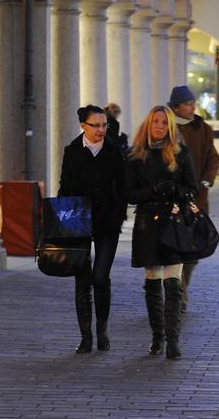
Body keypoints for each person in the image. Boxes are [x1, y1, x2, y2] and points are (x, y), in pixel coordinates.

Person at [124, 105, 198, 359]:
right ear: (148, 124)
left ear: (170, 127)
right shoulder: (135, 155)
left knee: (173, 282)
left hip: (173, 222)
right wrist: (152, 191)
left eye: (164, 123)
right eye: (155, 121)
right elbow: (128, 193)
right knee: (153, 281)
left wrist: (175, 190)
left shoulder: (180, 153)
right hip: (147, 223)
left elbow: (192, 188)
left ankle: (173, 340)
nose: (159, 126)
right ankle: (157, 338)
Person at [59, 105, 127, 354]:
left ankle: (102, 330)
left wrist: (118, 217)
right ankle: (85, 336)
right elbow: (65, 188)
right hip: (79, 222)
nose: (101, 130)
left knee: (100, 276)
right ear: (83, 126)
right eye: (96, 125)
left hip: (107, 224)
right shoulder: (72, 151)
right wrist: (62, 222)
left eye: (104, 125)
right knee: (82, 279)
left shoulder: (114, 151)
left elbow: (122, 188)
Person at [169, 85, 219, 312]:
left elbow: (212, 157)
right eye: (188, 104)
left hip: (196, 198)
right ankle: (169, 287)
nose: (192, 108)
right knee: (169, 245)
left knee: (192, 248)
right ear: (176, 107)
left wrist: (207, 181)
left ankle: (182, 286)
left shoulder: (203, 128)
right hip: (169, 199)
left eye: (193, 104)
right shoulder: (164, 126)